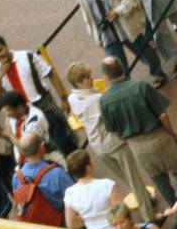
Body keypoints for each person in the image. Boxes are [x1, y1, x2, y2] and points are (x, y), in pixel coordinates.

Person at [98, 57, 177, 213]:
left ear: (106, 77)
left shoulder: (104, 100)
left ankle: (176, 212)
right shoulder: (140, 85)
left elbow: (113, 131)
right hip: (160, 138)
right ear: (122, 69)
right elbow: (162, 115)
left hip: (137, 147)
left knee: (161, 183)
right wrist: (171, 133)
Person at [66, 62, 155, 219]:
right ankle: (149, 216)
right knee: (134, 179)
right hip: (115, 143)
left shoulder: (72, 98)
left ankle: (146, 198)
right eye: (87, 77)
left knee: (125, 177)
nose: (91, 78)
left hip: (97, 147)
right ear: (79, 82)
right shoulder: (98, 99)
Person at [73, 0, 165, 85]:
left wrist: (118, 11)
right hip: (106, 33)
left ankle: (158, 73)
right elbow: (86, 15)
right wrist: (95, 34)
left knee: (144, 51)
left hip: (124, 25)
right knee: (114, 67)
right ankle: (126, 88)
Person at [11, 133, 74, 227]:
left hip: (39, 227)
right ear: (41, 147)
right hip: (62, 222)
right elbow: (77, 198)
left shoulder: (16, 178)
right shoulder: (57, 173)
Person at [62, 150, 123, 229]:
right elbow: (120, 213)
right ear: (88, 167)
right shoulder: (107, 185)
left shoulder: (69, 193)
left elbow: (71, 224)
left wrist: (87, 218)